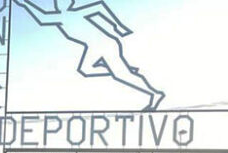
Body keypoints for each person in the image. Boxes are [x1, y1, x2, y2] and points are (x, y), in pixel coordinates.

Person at [13, 0, 165, 111]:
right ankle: (122, 69)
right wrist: (116, 27)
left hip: (104, 45)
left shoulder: (65, 16)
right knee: (85, 69)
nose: (57, 5)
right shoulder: (71, 14)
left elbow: (43, 17)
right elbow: (99, 7)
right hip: (94, 47)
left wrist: (25, 4)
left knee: (121, 75)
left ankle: (155, 94)